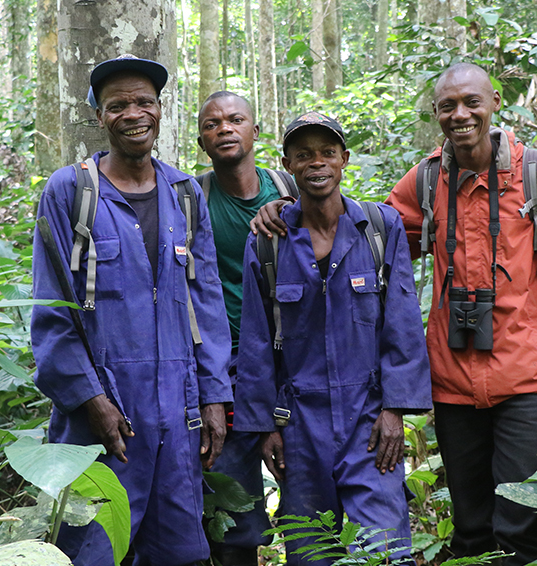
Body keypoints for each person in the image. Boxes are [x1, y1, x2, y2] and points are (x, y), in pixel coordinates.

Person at [249, 65, 537, 565]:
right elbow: (357, 229)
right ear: (435, 114)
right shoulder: (427, 179)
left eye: (471, 103)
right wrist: (287, 208)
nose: (460, 115)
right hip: (453, 383)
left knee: (522, 524)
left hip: (527, 378)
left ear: (495, 102)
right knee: (470, 526)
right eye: (447, 106)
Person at [31, 54, 233, 566]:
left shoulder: (185, 194)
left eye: (144, 101)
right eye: (117, 104)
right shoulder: (70, 191)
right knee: (92, 551)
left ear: (161, 110)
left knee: (178, 553)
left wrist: (213, 396)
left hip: (177, 412)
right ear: (100, 116)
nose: (133, 113)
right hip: (102, 415)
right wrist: (89, 399)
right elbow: (52, 311)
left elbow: (206, 304)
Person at [233, 112, 433, 566]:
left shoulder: (380, 229)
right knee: (311, 552)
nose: (316, 163)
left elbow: (402, 323)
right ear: (288, 164)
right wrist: (265, 425)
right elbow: (257, 341)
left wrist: (395, 410)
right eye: (304, 155)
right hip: (299, 424)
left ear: (344, 159)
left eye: (327, 153)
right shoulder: (268, 243)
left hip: (368, 419)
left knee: (384, 552)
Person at [194, 91, 297, 566]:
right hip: (227, 366)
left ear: (256, 131)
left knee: (307, 490)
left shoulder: (290, 189)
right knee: (233, 506)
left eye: (236, 120)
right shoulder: (192, 200)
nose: (225, 129)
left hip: (294, 361)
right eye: (213, 124)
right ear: (202, 140)